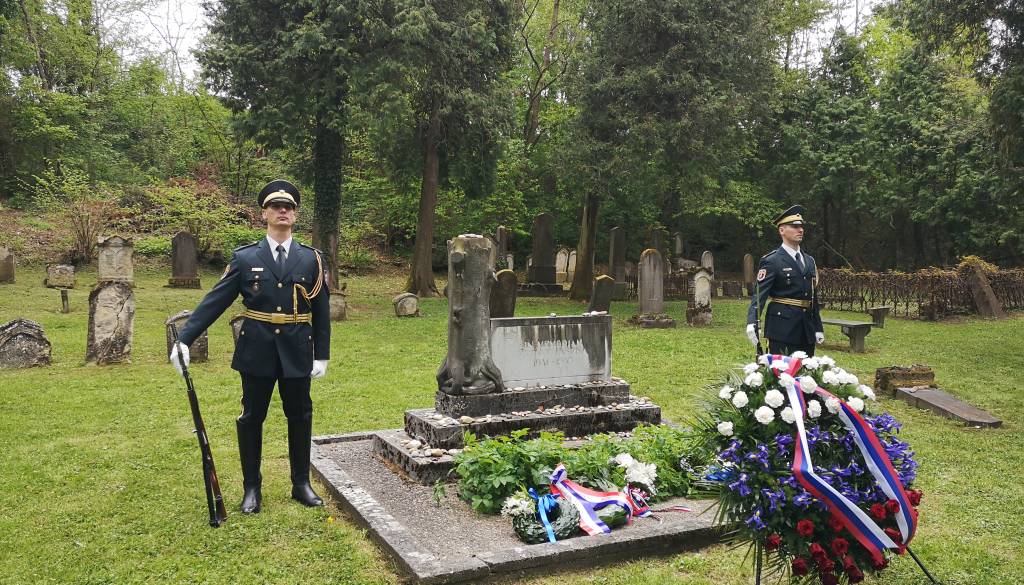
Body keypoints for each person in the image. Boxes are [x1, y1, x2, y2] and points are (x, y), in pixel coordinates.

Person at [170, 179, 330, 513]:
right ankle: (252, 488)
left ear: (295, 215)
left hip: (297, 349)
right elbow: (216, 300)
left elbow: (322, 310)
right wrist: (184, 338)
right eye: (275, 206)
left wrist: (322, 355)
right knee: (252, 417)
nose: (282, 211)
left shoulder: (311, 259)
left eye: (288, 207)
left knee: (300, 414)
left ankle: (301, 483)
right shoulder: (245, 258)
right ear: (264, 214)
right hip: (257, 349)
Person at [745, 204, 824, 357]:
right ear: (782, 230)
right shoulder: (772, 261)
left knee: (807, 370)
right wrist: (752, 321)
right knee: (782, 370)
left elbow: (813, 297)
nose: (800, 230)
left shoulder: (809, 261)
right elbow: (759, 295)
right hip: (782, 329)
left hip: (806, 329)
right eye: (795, 226)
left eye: (801, 226)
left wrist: (818, 326)